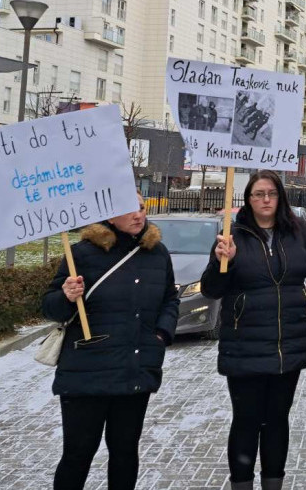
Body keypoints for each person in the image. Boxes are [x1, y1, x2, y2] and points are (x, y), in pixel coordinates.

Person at [201, 170, 306, 490]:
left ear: (280, 196)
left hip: (288, 344)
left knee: (276, 420)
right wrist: (225, 262)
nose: (265, 200)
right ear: (248, 198)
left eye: (271, 193)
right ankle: (242, 483)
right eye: (258, 194)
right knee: (246, 421)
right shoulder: (233, 234)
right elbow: (211, 289)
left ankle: (273, 482)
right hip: (244, 344)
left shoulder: (300, 232)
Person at [41, 193, 179, 490]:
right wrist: (66, 296)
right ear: (109, 215)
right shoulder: (82, 253)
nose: (138, 215)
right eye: (128, 209)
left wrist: (161, 334)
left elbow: (170, 298)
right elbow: (50, 308)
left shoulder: (158, 253)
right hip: (86, 372)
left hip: (135, 368)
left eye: (141, 208)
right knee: (78, 454)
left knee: (125, 452)